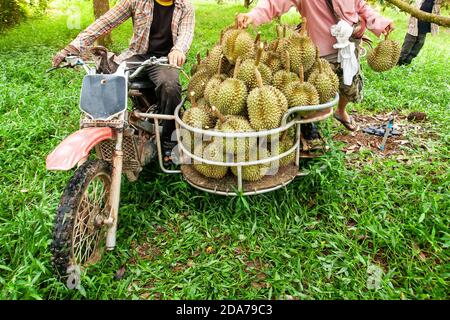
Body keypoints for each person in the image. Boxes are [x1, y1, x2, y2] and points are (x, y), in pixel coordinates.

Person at [52, 0, 195, 164]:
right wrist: (74, 47)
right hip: (137, 56)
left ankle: (169, 141)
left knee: (170, 87)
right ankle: (103, 129)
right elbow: (106, 21)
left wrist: (178, 50)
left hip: (164, 60)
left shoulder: (185, 6)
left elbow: (186, 34)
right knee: (106, 80)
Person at [236, 0, 394, 133]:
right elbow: (274, 2)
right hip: (321, 51)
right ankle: (311, 127)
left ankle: (340, 111)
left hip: (349, 45)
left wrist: (380, 23)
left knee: (350, 85)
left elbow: (360, 5)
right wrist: (252, 16)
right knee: (318, 93)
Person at [398, 0, 442, 66]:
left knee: (419, 45)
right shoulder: (419, 1)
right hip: (415, 25)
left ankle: (407, 62)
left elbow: (437, 13)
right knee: (408, 43)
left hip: (424, 27)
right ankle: (399, 61)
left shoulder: (436, 2)